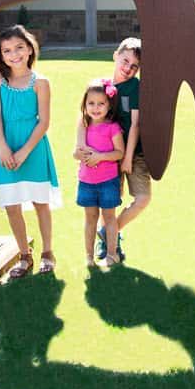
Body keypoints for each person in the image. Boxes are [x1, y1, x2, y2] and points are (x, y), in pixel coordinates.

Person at [0, 25, 61, 278]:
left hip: (34, 147)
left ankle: (48, 253)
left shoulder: (40, 82)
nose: (14, 54)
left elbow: (44, 122)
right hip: (6, 145)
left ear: (30, 49)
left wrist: (24, 152)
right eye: (7, 50)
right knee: (12, 205)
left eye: (19, 47)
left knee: (41, 203)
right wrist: (2, 146)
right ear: (0, 54)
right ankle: (24, 255)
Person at [84, 38, 148, 263]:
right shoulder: (102, 88)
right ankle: (109, 244)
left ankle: (109, 231)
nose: (128, 68)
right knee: (109, 201)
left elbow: (135, 124)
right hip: (107, 154)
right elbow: (89, 118)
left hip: (133, 152)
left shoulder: (135, 87)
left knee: (143, 198)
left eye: (134, 66)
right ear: (115, 56)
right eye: (125, 61)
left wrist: (128, 157)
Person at [74, 79, 126, 268]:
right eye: (91, 103)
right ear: (85, 104)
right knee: (90, 218)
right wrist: (78, 154)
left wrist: (100, 157)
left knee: (109, 218)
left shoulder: (112, 128)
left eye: (101, 103)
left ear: (109, 105)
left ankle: (112, 254)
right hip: (86, 181)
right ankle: (89, 256)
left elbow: (119, 153)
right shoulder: (83, 124)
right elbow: (76, 152)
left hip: (108, 181)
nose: (95, 108)